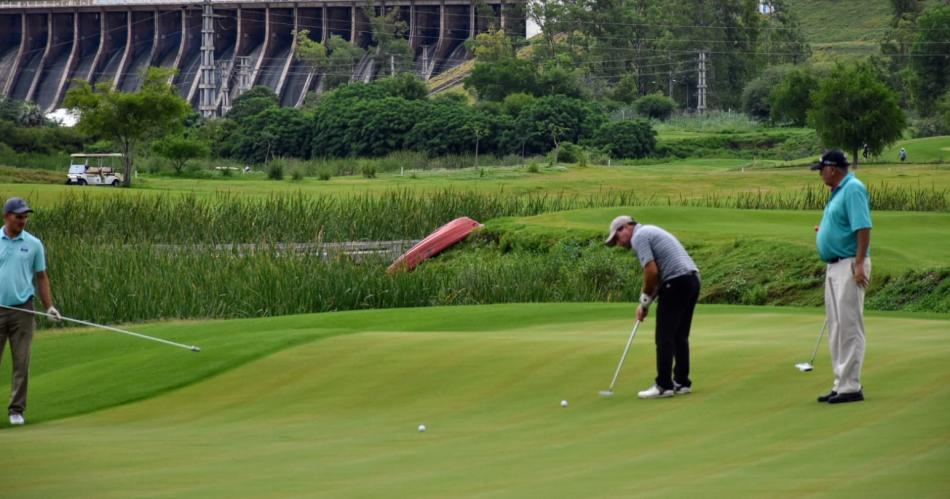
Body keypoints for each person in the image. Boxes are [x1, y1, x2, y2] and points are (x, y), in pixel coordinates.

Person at [606, 216, 700, 399]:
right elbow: (659, 276)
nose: (618, 244)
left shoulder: (639, 236)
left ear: (625, 228)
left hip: (676, 282)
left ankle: (664, 385)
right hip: (691, 281)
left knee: (664, 337)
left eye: (617, 238)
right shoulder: (650, 231)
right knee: (679, 336)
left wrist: (644, 299)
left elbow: (651, 271)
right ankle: (681, 382)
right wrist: (645, 304)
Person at [811, 150, 871, 404]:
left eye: (821, 170)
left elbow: (863, 227)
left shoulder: (853, 189)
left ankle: (851, 386)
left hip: (849, 265)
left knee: (849, 326)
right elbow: (844, 225)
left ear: (832, 168)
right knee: (836, 327)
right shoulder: (838, 191)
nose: (820, 175)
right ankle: (840, 383)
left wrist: (859, 263)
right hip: (834, 265)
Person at [0, 197, 60, 426]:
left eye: (25, 217)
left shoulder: (34, 244)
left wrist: (49, 306)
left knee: (21, 361)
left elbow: (41, 277)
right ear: (7, 216)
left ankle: (16, 410)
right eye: (19, 216)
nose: (23, 221)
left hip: (23, 310)